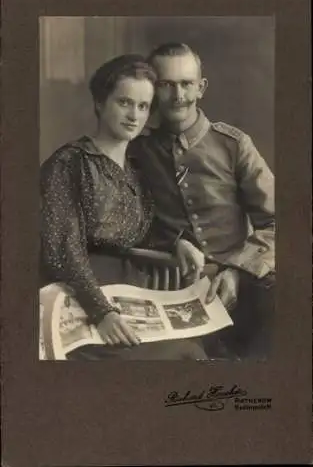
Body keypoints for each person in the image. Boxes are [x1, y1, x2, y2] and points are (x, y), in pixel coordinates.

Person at [40, 53, 208, 361]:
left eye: (143, 106)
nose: (134, 114)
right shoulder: (69, 163)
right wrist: (102, 312)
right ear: (100, 103)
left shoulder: (136, 169)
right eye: (124, 102)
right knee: (183, 357)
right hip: (81, 301)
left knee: (196, 350)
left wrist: (177, 242)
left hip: (131, 295)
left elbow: (139, 230)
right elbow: (63, 250)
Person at [129, 42, 275, 359]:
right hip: (169, 287)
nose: (178, 95)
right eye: (166, 85)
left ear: (201, 87)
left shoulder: (234, 145)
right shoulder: (136, 152)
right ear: (151, 89)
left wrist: (239, 271)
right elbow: (126, 221)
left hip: (243, 288)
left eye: (186, 84)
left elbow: (279, 223)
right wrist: (172, 242)